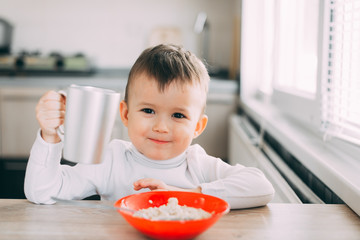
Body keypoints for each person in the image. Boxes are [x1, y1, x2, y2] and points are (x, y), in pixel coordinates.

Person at [24, 44, 274, 209]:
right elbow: (41, 192)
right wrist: (49, 136)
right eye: (148, 111)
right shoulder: (111, 159)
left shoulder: (196, 164)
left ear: (198, 126)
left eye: (178, 115)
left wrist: (187, 194)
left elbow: (261, 186)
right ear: (125, 114)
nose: (161, 127)